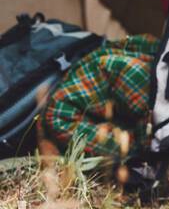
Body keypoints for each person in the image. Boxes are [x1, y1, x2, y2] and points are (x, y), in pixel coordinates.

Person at [40, 34, 160, 175]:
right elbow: (148, 145)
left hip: (94, 97)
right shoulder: (142, 79)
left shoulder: (163, 55)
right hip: (63, 114)